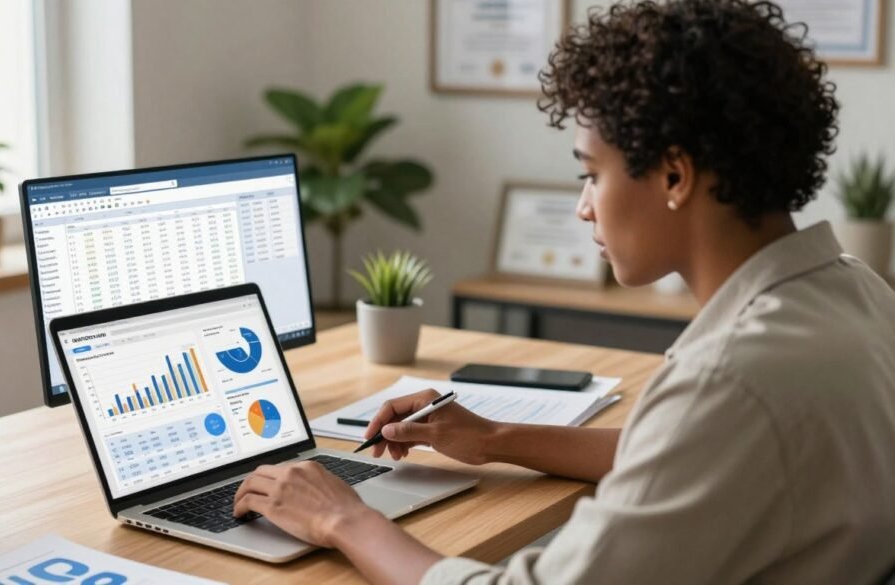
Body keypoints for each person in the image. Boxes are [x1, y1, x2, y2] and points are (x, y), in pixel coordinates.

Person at [232, 1, 895, 582]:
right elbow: (678, 451)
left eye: (591, 174)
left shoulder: (729, 379)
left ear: (674, 174)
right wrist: (492, 437)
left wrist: (343, 516)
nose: (583, 207)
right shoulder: (856, 294)